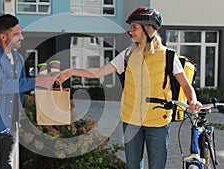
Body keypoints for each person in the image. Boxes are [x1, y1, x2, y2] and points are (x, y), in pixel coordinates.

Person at [56, 7, 202, 169]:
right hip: (131, 120)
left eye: (134, 27)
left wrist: (193, 101)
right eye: (131, 27)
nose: (131, 32)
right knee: (133, 165)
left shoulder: (168, 56)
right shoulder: (127, 55)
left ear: (147, 29)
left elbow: (185, 84)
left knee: (157, 166)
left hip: (158, 121)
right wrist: (72, 71)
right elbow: (99, 72)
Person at [0, 14, 54, 169]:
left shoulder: (18, 58)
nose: (21, 37)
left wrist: (44, 84)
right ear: (3, 36)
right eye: (16, 34)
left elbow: (22, 86)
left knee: (7, 165)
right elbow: (2, 85)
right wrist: (35, 81)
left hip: (11, 124)